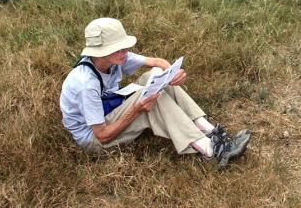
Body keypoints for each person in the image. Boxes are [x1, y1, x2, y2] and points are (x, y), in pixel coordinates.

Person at [60, 17, 251, 168]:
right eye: (118, 48)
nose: (125, 51)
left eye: (125, 46)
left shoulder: (115, 57)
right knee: (151, 98)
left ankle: (210, 131)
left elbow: (156, 63)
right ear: (99, 52)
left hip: (108, 109)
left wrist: (172, 74)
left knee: (156, 75)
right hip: (94, 139)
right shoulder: (86, 83)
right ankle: (211, 149)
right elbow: (102, 135)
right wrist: (136, 110)